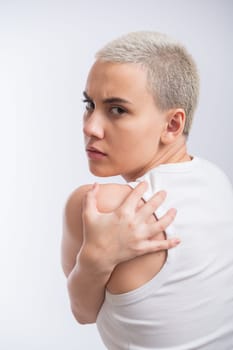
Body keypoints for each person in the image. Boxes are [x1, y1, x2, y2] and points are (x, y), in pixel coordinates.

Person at [61, 31, 233, 349]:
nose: (89, 126)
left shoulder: (99, 206)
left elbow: (82, 312)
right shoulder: (217, 180)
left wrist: (93, 261)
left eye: (117, 110)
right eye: (90, 104)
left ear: (172, 125)